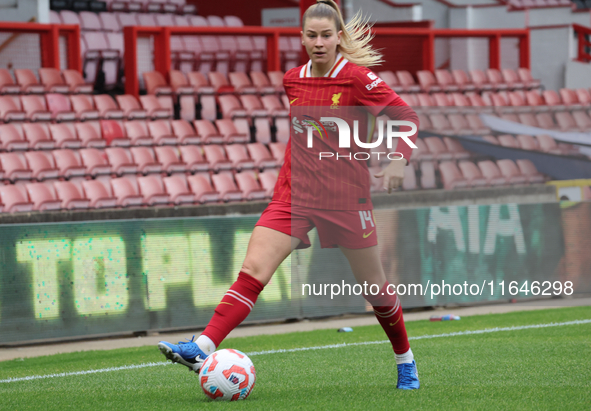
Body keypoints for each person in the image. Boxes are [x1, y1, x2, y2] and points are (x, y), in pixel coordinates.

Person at [158, 0, 420, 390]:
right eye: (311, 35)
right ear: (301, 37)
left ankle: (405, 360)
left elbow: (406, 117)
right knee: (253, 271)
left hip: (346, 199)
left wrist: (399, 159)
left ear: (339, 37)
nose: (318, 42)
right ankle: (203, 345)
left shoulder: (358, 79)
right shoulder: (292, 78)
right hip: (294, 194)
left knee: (375, 289)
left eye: (326, 35)